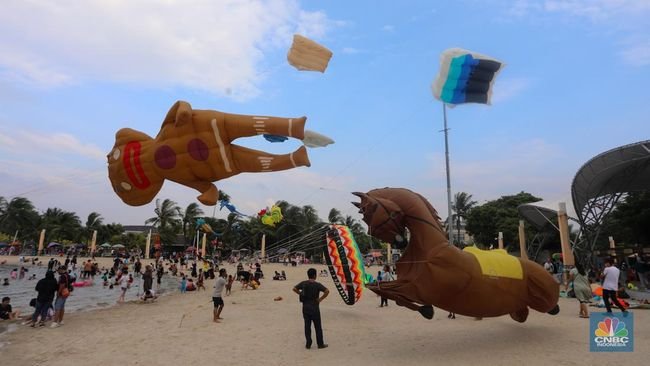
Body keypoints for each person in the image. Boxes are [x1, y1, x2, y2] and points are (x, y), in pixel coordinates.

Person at [293, 268, 329, 349]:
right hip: (315, 307)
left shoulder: (304, 283)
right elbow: (327, 291)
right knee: (318, 326)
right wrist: (320, 299)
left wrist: (300, 293)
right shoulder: (317, 284)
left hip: (305, 307)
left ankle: (308, 343)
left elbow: (294, 289)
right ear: (315, 275)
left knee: (307, 326)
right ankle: (320, 344)